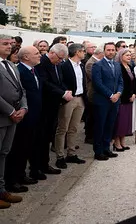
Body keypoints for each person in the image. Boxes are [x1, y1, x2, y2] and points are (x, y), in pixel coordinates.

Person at [6, 46, 41, 194]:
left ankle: (21, 174)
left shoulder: (33, 70)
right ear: (26, 57)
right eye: (36, 53)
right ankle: (13, 180)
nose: (40, 55)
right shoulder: (19, 70)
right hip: (23, 116)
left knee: (27, 147)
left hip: (33, 115)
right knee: (18, 149)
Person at [35, 44, 71, 175]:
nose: (61, 61)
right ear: (52, 53)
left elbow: (59, 81)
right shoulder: (42, 63)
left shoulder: (57, 64)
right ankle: (38, 166)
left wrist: (65, 90)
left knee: (48, 136)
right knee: (41, 137)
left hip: (54, 105)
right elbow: (45, 83)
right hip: (44, 106)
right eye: (60, 58)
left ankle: (44, 164)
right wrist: (62, 93)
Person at [0, 35, 28, 207]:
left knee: (4, 153)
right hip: (3, 116)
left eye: (11, 44)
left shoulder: (11, 65)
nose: (9, 46)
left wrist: (23, 108)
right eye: (5, 44)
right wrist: (11, 111)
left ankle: (2, 190)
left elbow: (21, 89)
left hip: (13, 118)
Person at [54, 43, 87, 169]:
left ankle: (71, 153)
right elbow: (60, 82)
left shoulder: (81, 66)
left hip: (80, 99)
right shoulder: (64, 65)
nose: (84, 53)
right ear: (77, 52)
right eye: (83, 51)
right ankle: (60, 156)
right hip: (69, 100)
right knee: (62, 128)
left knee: (74, 128)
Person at [91, 42, 123, 161]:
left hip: (115, 101)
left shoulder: (117, 65)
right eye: (108, 50)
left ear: (115, 51)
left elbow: (120, 81)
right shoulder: (97, 65)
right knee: (100, 126)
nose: (111, 52)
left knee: (110, 125)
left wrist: (118, 93)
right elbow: (97, 83)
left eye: (112, 50)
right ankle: (98, 151)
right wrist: (110, 95)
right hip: (102, 101)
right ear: (104, 51)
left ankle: (106, 148)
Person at [112, 49, 136, 151]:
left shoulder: (130, 67)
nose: (129, 57)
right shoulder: (118, 67)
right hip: (122, 98)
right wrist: (127, 95)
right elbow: (120, 83)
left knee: (126, 121)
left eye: (130, 55)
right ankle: (116, 142)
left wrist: (135, 93)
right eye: (127, 55)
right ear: (121, 56)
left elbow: (134, 82)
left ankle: (123, 141)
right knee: (120, 121)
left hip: (130, 98)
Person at [83, 46, 104, 144]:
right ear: (101, 53)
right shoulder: (90, 63)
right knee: (91, 116)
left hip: (99, 93)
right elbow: (96, 78)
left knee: (95, 116)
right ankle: (89, 136)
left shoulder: (98, 62)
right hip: (93, 93)